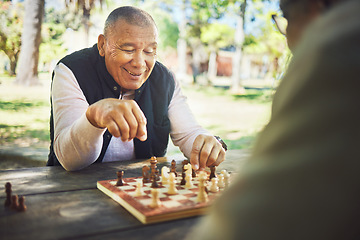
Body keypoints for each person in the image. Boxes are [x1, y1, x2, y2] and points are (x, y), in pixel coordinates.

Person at [188, 0, 360, 239]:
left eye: (287, 19)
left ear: (313, 8)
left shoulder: (337, 47)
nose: (288, 40)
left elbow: (246, 223)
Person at [47, 6, 227, 171]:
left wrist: (205, 143)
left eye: (149, 51)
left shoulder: (165, 79)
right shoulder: (72, 71)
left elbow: (189, 134)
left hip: (144, 192)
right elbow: (69, 160)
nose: (140, 63)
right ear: (102, 45)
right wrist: (94, 117)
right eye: (128, 49)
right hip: (71, 192)